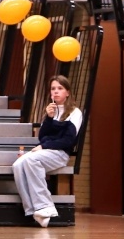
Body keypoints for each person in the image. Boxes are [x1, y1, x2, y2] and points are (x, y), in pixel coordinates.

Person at [13, 75, 83, 228]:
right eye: (53, 89)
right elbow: (42, 137)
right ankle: (33, 210)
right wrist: (49, 118)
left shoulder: (75, 112)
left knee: (31, 160)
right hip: (45, 152)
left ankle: (45, 206)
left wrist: (44, 146)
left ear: (67, 92)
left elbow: (68, 141)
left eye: (60, 88)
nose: (56, 91)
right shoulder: (50, 111)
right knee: (17, 165)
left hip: (60, 153)